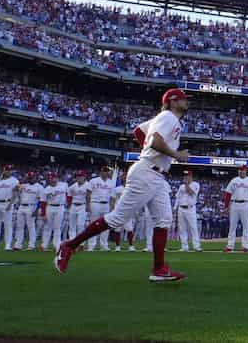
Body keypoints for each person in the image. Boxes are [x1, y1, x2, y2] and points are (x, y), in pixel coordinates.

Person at [55, 88, 191, 282]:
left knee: (164, 220)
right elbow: (154, 142)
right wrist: (176, 155)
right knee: (117, 218)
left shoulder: (166, 118)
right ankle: (69, 245)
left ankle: (159, 269)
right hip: (147, 172)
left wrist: (148, 151)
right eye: (183, 99)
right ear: (172, 101)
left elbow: (139, 131)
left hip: (156, 174)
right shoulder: (168, 117)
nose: (187, 102)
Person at [223, 165, 248, 253]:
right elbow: (228, 194)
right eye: (239, 170)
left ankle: (246, 246)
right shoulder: (234, 180)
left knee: (246, 226)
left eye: (242, 170)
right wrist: (226, 206)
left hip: (246, 204)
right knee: (232, 226)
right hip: (234, 204)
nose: (241, 171)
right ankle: (230, 246)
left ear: (246, 171)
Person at [84, 166, 115, 251]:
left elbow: (112, 197)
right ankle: (91, 245)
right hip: (95, 203)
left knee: (106, 224)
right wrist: (87, 205)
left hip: (106, 204)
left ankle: (104, 245)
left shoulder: (111, 182)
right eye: (104, 171)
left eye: (107, 171)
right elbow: (88, 194)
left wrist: (112, 209)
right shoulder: (93, 181)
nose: (105, 173)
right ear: (100, 172)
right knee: (93, 224)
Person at [13, 171, 44, 251]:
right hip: (22, 206)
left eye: (32, 177)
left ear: (35, 178)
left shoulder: (39, 187)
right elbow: (14, 189)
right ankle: (18, 245)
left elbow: (41, 200)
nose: (31, 179)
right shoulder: (23, 185)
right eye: (30, 177)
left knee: (31, 227)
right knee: (19, 226)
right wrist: (23, 179)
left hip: (32, 206)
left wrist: (37, 210)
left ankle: (31, 245)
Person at [38, 172, 69, 252]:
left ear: (57, 178)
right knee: (47, 227)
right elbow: (43, 203)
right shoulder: (46, 189)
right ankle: (44, 245)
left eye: (54, 177)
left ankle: (57, 245)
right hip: (50, 207)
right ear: (49, 179)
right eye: (51, 178)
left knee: (57, 227)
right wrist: (43, 214)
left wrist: (68, 203)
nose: (53, 179)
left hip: (60, 207)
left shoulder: (64, 185)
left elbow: (69, 195)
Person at [175, 170, 202, 252]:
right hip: (181, 208)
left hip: (190, 208)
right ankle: (184, 246)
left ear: (191, 176)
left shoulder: (196, 184)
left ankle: (196, 246)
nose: (186, 177)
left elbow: (192, 193)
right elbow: (178, 198)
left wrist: (186, 184)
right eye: (185, 176)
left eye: (187, 176)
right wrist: (175, 208)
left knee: (193, 227)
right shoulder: (181, 186)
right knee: (182, 228)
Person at [66, 171, 90, 244]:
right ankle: (72, 241)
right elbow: (69, 196)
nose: (79, 177)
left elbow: (89, 196)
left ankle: (81, 243)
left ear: (84, 177)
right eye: (78, 176)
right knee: (72, 225)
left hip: (83, 206)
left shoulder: (88, 185)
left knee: (80, 225)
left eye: (81, 176)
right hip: (73, 205)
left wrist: (88, 206)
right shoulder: (73, 186)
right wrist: (69, 205)